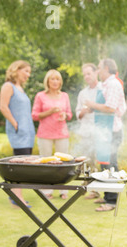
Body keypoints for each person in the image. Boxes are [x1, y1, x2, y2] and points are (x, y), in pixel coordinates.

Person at [85, 58, 126, 212]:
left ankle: (112, 201)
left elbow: (110, 108)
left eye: (99, 68)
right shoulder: (106, 85)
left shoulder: (114, 84)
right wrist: (92, 108)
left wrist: (92, 105)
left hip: (112, 132)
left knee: (111, 166)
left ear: (107, 68)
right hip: (104, 131)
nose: (98, 71)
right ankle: (107, 195)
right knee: (104, 164)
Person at [0, 60, 35, 207]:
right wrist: (15, 124)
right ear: (16, 70)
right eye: (26, 71)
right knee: (20, 164)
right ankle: (16, 197)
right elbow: (3, 107)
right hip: (19, 132)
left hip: (28, 132)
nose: (28, 75)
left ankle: (16, 195)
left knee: (24, 165)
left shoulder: (21, 88)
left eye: (29, 72)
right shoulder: (9, 86)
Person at [32, 69, 73, 200]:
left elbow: (70, 114)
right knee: (46, 163)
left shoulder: (65, 96)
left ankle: (63, 190)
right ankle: (47, 190)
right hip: (45, 134)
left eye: (57, 79)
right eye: (52, 79)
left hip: (62, 133)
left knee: (63, 163)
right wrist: (50, 112)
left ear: (60, 82)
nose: (55, 82)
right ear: (47, 81)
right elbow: (34, 116)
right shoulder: (40, 96)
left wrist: (64, 115)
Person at [75, 63, 100, 199]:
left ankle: (96, 190)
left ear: (96, 73)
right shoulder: (82, 93)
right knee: (86, 161)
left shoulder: (103, 89)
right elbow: (78, 113)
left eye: (89, 73)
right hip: (85, 131)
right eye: (84, 74)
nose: (86, 77)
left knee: (97, 161)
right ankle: (86, 187)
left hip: (100, 132)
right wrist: (83, 111)